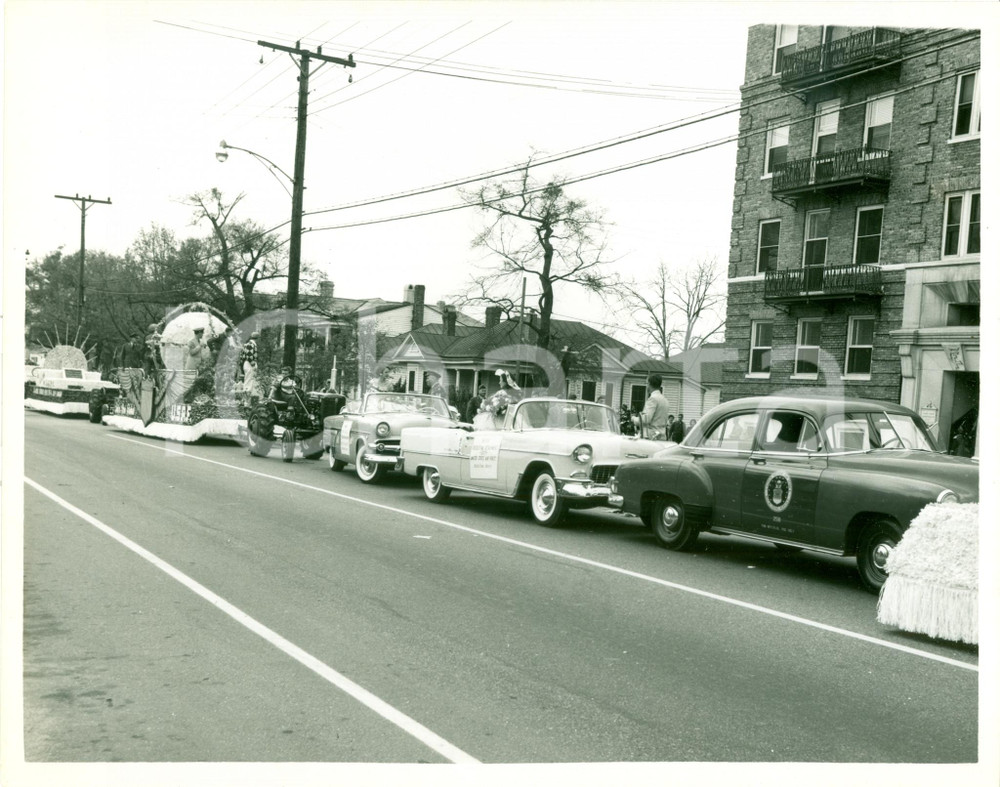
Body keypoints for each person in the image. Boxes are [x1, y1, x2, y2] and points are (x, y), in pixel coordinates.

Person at [633, 374, 669, 440]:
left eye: (647, 384)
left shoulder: (652, 399)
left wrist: (634, 419)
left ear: (649, 384)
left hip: (651, 437)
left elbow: (645, 420)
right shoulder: (665, 400)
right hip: (662, 436)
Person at [239, 330, 260, 398]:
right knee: (249, 379)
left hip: (248, 363)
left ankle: (249, 394)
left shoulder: (250, 344)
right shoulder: (250, 344)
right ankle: (247, 395)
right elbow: (249, 356)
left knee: (250, 379)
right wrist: (253, 365)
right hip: (249, 363)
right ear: (257, 338)